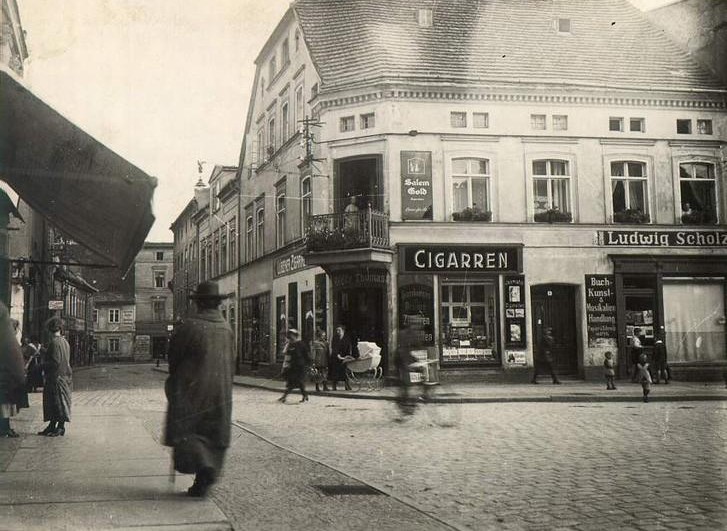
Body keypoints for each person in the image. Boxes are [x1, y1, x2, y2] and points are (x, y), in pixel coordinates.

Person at [163, 281, 235, 498]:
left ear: (199, 304)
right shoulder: (226, 328)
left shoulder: (189, 326)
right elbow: (232, 360)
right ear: (217, 304)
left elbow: (173, 359)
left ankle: (204, 469)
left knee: (190, 429)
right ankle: (205, 475)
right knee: (213, 432)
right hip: (220, 389)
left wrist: (175, 382)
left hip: (192, 388)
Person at [37, 317, 72, 437]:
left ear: (50, 329)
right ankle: (53, 426)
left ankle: (60, 427)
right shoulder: (64, 342)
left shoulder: (54, 342)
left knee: (56, 402)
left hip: (55, 377)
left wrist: (41, 366)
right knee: (58, 402)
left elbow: (55, 361)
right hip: (64, 376)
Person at [0, 302, 28, 437]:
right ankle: (4, 428)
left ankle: (5, 427)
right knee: (5, 406)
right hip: (6, 380)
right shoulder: (7, 337)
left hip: (6, 379)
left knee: (6, 406)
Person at [278, 329, 311, 403]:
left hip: (301, 367)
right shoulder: (290, 345)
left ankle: (303, 395)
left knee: (300, 382)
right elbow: (287, 355)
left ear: (295, 336)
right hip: (292, 366)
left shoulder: (301, 344)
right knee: (291, 382)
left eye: (291, 335)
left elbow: (307, 355)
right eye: (289, 336)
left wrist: (309, 364)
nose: (290, 337)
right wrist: (286, 366)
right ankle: (285, 396)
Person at [329, 325, 356, 391]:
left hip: (344, 357)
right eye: (337, 330)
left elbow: (349, 347)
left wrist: (347, 356)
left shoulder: (347, 338)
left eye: (339, 330)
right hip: (336, 357)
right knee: (334, 371)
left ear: (343, 331)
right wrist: (337, 354)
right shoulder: (335, 338)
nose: (338, 332)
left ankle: (347, 386)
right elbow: (333, 347)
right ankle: (334, 386)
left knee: (346, 371)